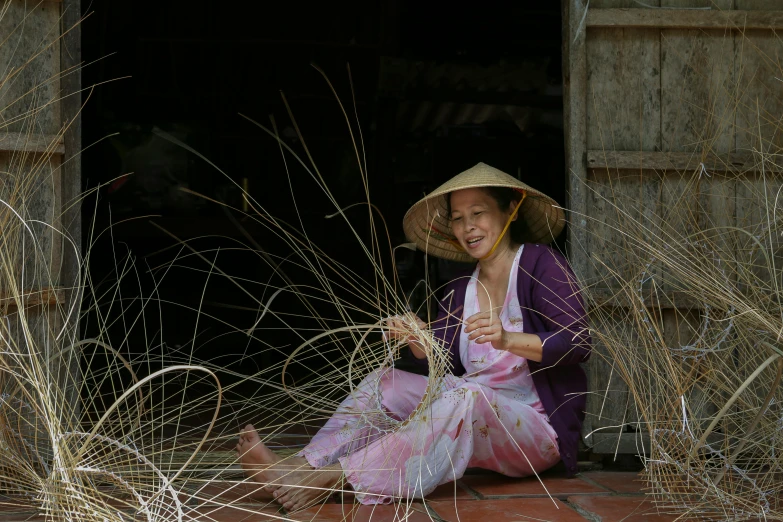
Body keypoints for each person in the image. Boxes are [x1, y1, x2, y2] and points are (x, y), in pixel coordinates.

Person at [236, 162, 591, 512]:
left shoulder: (541, 264)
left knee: (466, 396)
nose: (468, 227)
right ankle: (299, 467)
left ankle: (332, 478)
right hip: (472, 415)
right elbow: (445, 364)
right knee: (386, 383)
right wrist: (419, 340)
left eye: (478, 213)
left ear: (511, 210)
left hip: (536, 433)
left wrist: (508, 339)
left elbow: (578, 342)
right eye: (457, 217)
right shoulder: (457, 291)